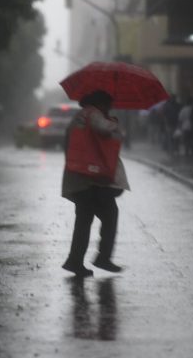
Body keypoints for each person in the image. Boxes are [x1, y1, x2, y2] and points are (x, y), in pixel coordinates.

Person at [61, 90, 129, 277]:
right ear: (100, 103)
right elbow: (105, 129)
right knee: (109, 215)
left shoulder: (80, 116)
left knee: (84, 220)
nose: (111, 107)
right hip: (90, 179)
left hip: (81, 177)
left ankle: (75, 260)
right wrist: (114, 122)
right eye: (109, 104)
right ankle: (101, 258)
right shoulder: (93, 114)